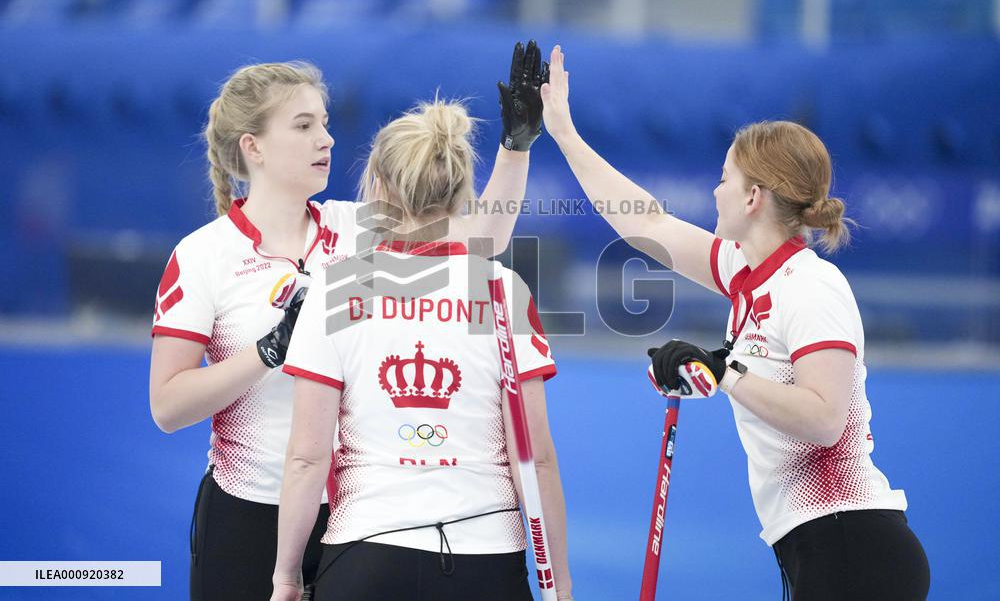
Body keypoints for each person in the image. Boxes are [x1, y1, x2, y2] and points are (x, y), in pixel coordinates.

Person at [150, 43, 546, 600]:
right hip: (249, 513)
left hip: (350, 516)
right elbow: (168, 406)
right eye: (305, 125)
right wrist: (267, 352)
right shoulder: (202, 255)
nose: (327, 139)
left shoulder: (362, 225)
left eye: (327, 123)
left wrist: (515, 149)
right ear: (253, 147)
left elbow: (482, 241)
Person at [539, 45, 929, 600]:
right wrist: (565, 136)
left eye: (723, 177)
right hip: (814, 547)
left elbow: (824, 419)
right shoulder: (747, 275)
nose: (713, 190)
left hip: (853, 544)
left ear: (753, 196)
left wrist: (724, 373)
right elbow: (646, 222)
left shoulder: (811, 286)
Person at [268, 98, 572, 601]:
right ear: (461, 191)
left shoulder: (337, 289)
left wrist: (285, 576)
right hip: (486, 557)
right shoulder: (502, 289)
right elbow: (536, 460)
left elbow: (306, 457)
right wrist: (560, 587)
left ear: (379, 188)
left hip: (367, 552)